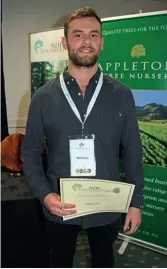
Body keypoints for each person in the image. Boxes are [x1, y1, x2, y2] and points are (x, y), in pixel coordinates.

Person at [22, 7, 144, 268]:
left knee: (103, 260)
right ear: (65, 42)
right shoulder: (43, 97)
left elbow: (134, 151)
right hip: (59, 205)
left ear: (101, 41)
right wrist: (45, 195)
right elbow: (30, 153)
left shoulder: (122, 94)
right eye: (78, 35)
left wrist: (135, 204)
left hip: (107, 205)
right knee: (60, 261)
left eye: (93, 35)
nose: (86, 41)